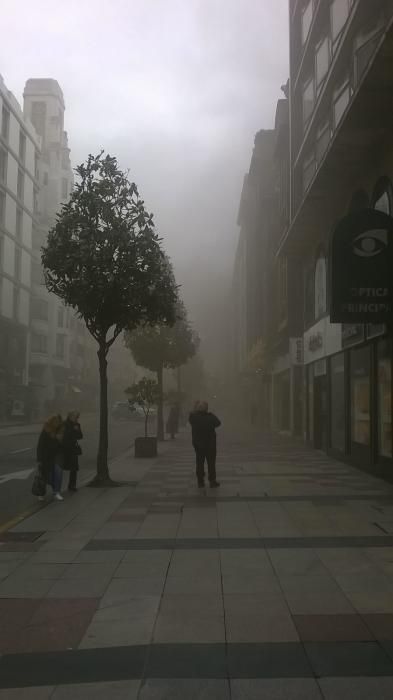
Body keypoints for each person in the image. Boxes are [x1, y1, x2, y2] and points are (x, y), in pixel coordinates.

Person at [189, 401, 221, 488]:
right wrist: (209, 414)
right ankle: (212, 481)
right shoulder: (210, 417)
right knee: (211, 464)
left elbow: (191, 415)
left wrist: (195, 408)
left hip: (199, 445)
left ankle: (200, 482)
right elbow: (218, 423)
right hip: (210, 445)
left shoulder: (194, 417)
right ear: (206, 409)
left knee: (199, 463)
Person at [36, 414, 64, 501]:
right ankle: (40, 494)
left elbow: (61, 446)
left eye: (58, 422)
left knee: (58, 473)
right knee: (44, 476)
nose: (57, 424)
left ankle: (56, 492)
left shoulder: (59, 431)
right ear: (51, 422)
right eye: (55, 422)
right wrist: (39, 459)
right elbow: (40, 445)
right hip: (46, 457)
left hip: (56, 456)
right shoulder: (46, 430)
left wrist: (59, 440)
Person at [63, 410, 83, 492]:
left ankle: (72, 485)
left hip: (73, 449)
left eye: (77, 417)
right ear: (70, 417)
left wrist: (77, 429)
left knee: (74, 468)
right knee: (60, 467)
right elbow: (64, 435)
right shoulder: (64, 424)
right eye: (75, 417)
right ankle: (55, 488)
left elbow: (80, 436)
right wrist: (73, 430)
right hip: (64, 448)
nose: (76, 419)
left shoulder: (77, 425)